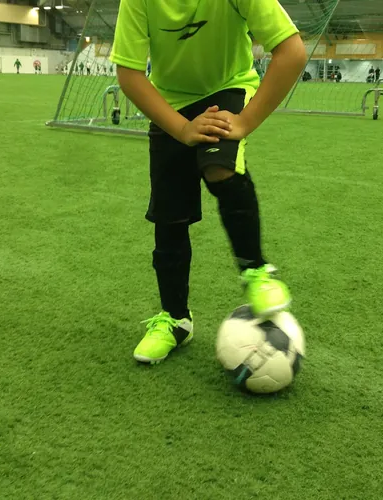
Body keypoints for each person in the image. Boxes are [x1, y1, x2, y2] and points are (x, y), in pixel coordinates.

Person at [111, 0, 307, 364]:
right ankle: (175, 320)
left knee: (220, 169)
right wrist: (182, 129)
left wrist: (245, 121)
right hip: (169, 103)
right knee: (169, 216)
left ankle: (256, 271)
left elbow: (291, 51)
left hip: (225, 90)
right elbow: (130, 74)